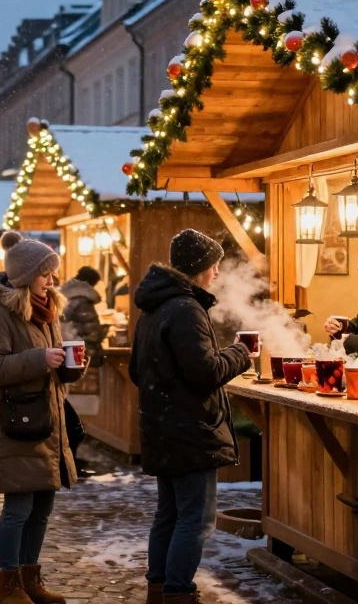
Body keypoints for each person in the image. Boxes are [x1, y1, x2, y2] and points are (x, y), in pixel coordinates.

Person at [129, 229, 252, 603]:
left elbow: (138, 371)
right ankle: (178, 593)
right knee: (194, 520)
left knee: (169, 514)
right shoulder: (185, 308)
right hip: (190, 431)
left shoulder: (155, 307)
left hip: (162, 427)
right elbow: (205, 372)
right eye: (214, 266)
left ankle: (158, 589)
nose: (217, 273)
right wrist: (241, 352)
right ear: (201, 268)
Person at [0, 231, 83, 604]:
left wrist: (69, 366)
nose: (51, 281)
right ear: (25, 277)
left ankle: (29, 577)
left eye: (52, 274)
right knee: (18, 507)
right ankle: (7, 586)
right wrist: (39, 360)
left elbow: (51, 364)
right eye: (45, 274)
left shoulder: (48, 310)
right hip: (16, 424)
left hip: (47, 424)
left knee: (42, 506)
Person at [60, 266, 108, 369]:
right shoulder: (82, 301)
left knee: (73, 380)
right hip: (80, 349)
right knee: (84, 379)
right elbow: (91, 330)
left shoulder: (67, 296)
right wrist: (101, 333)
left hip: (69, 346)